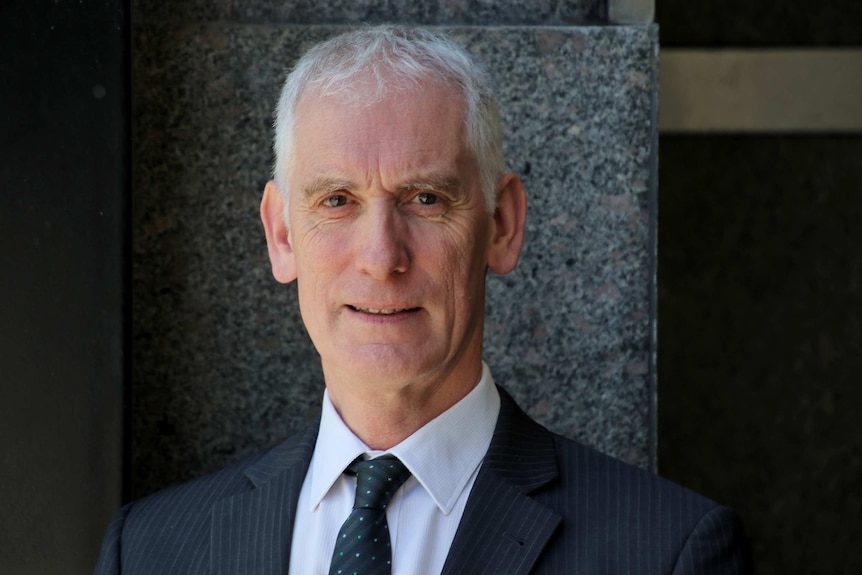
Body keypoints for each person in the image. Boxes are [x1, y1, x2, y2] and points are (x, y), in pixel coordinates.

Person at [93, 25, 752, 574]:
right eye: (337, 201)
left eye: (426, 199)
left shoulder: (667, 551)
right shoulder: (151, 550)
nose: (382, 257)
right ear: (282, 232)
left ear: (502, 225)